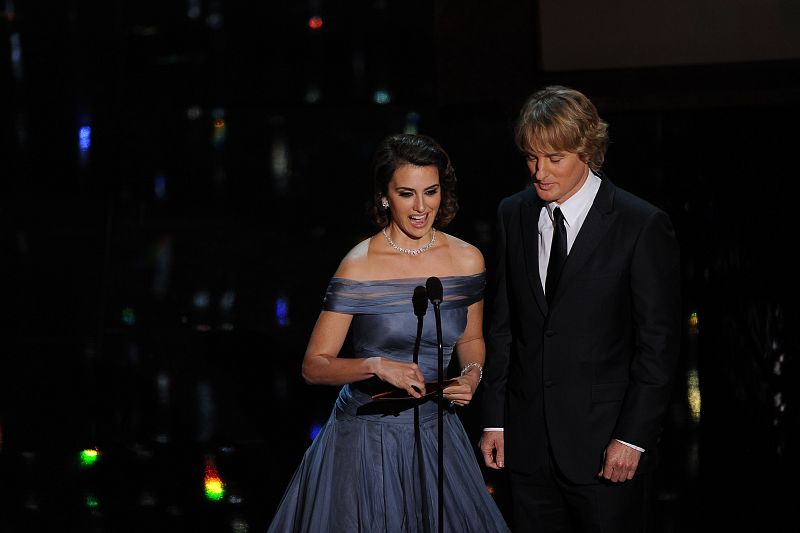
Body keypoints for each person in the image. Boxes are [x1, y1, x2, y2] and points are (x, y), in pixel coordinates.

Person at [268, 133, 509, 532]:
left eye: (430, 192)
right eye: (406, 194)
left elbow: (470, 340)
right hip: (365, 439)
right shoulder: (358, 265)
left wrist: (472, 375)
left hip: (438, 437)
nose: (420, 207)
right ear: (384, 197)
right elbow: (314, 367)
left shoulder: (467, 259)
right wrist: (376, 365)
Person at [479, 85, 681, 532]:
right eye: (531, 157)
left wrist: (632, 437)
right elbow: (503, 327)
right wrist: (496, 421)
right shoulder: (513, 213)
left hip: (606, 449)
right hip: (528, 448)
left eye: (554, 158)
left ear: (587, 150)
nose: (539, 172)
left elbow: (658, 345)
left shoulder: (640, 223)